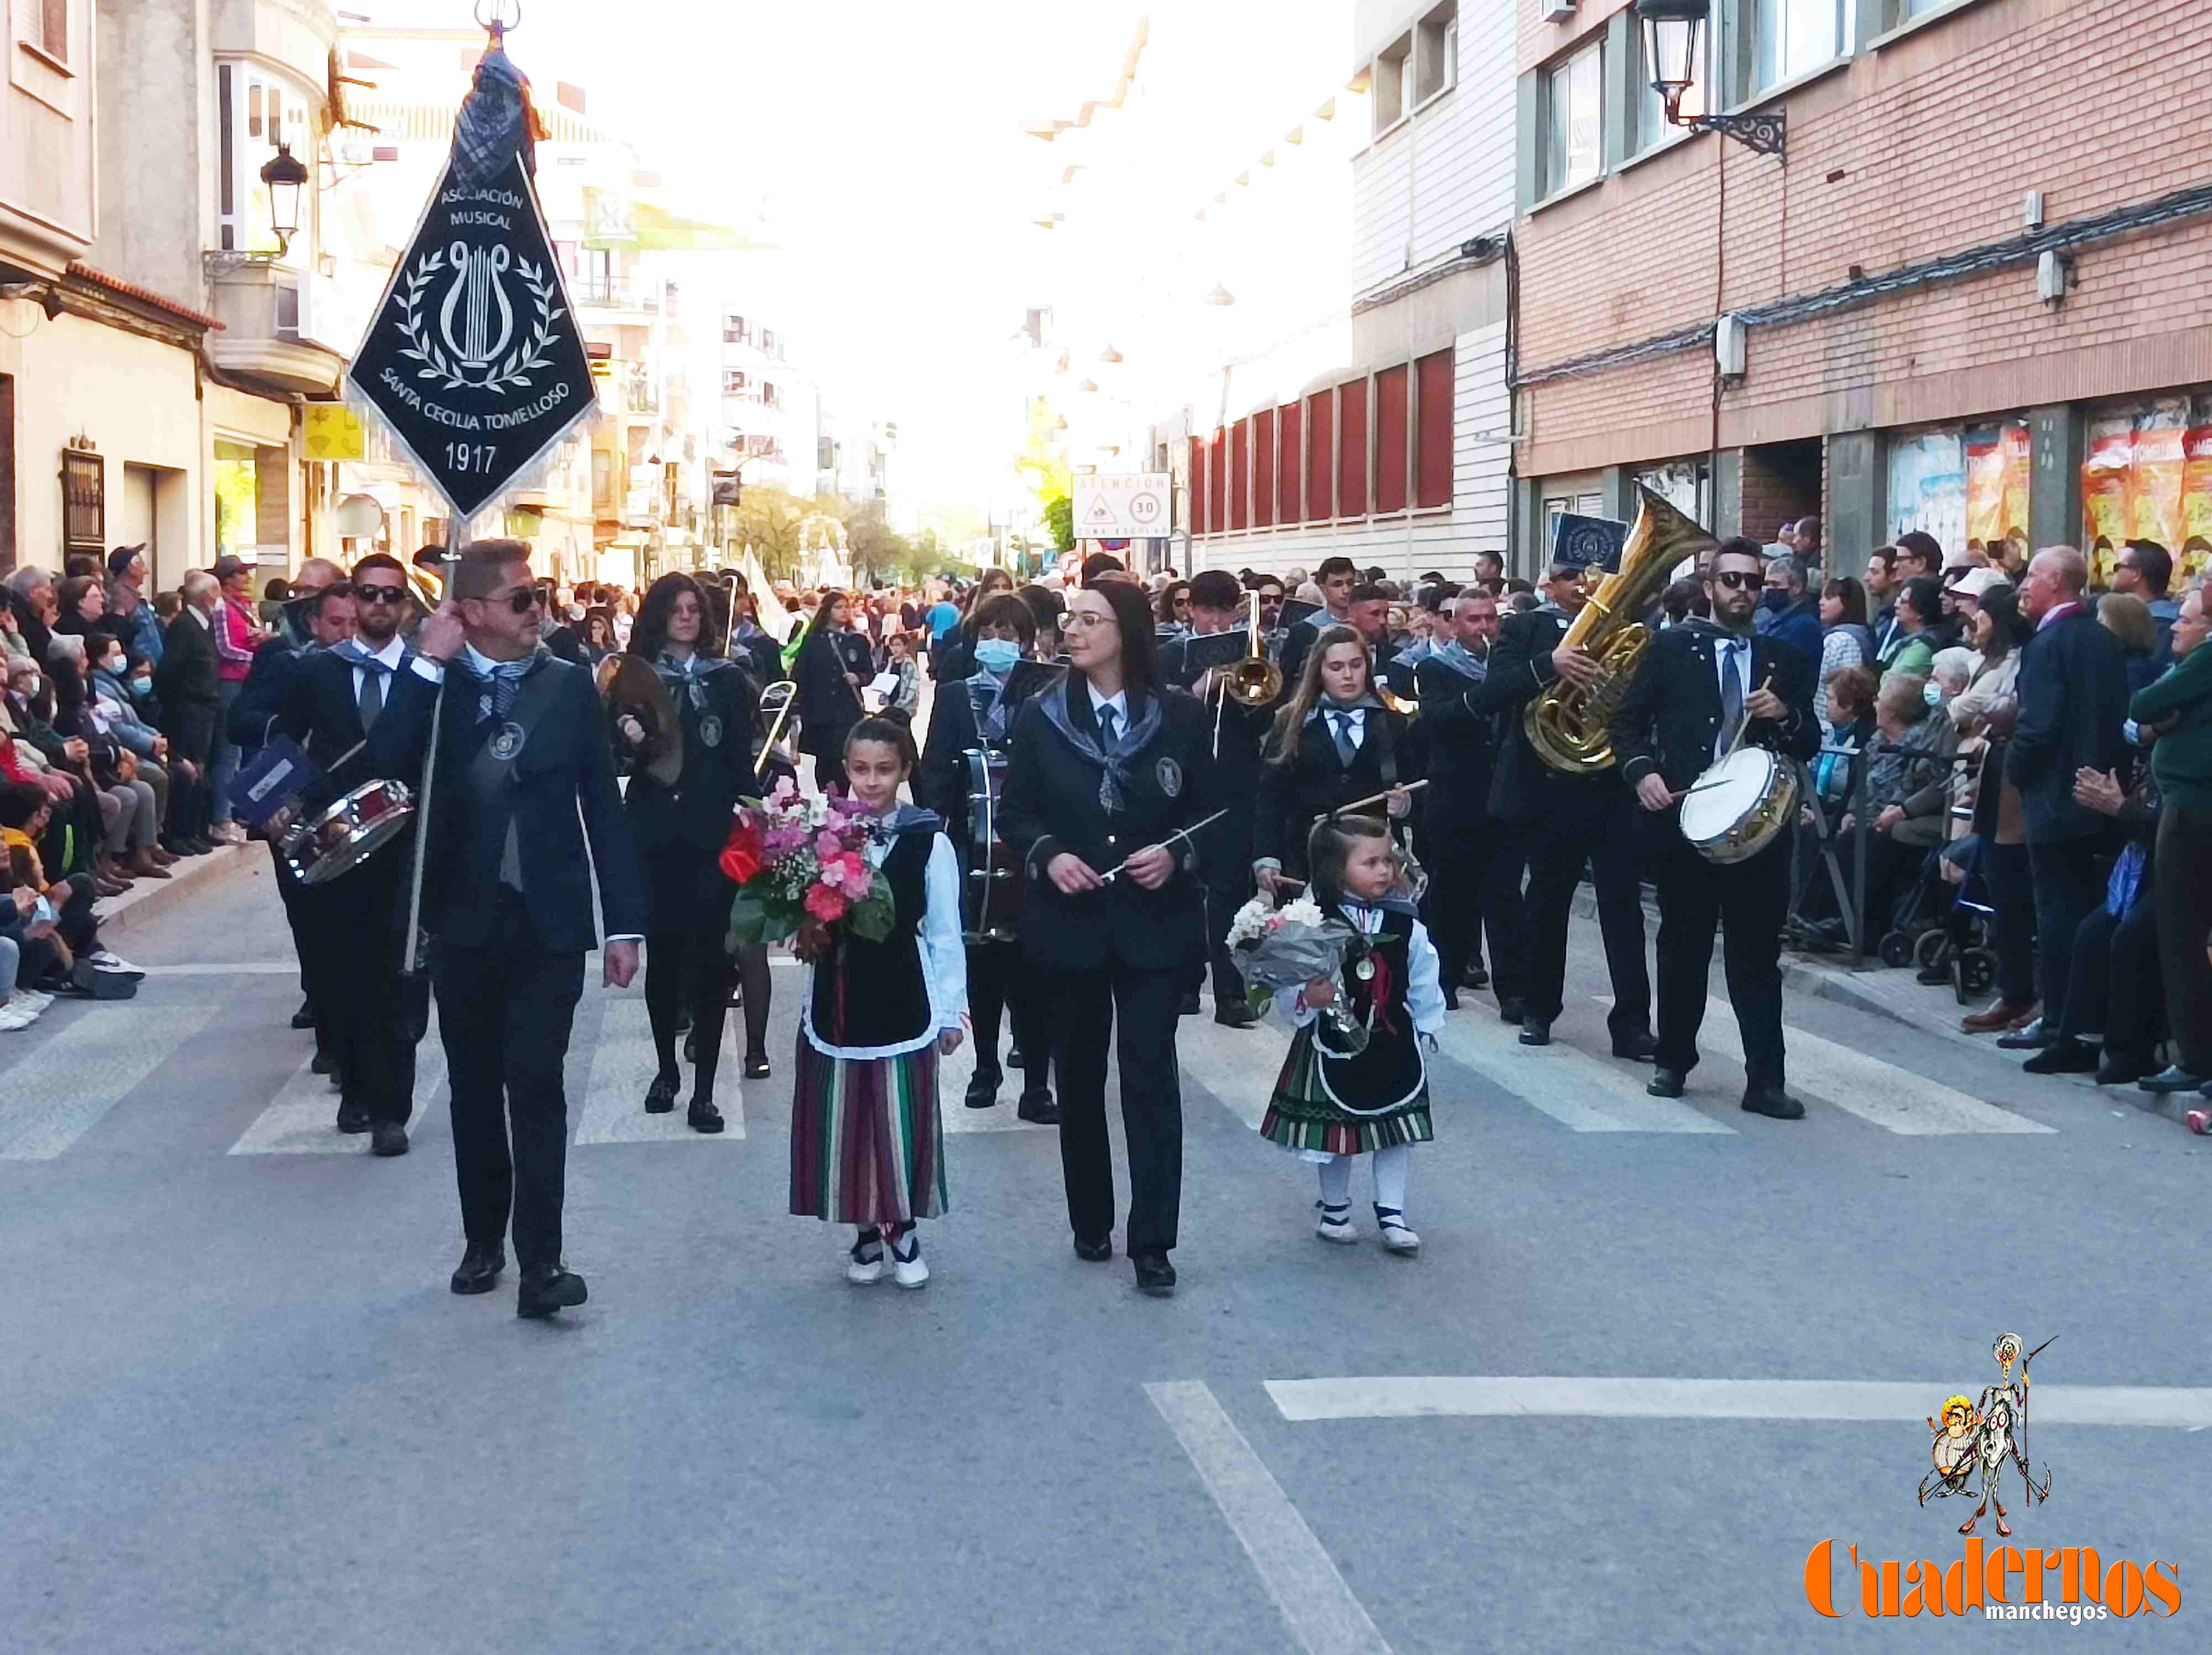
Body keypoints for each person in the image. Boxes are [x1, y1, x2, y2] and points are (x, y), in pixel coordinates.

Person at [369, 540, 646, 1318]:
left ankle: (543, 1263)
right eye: (523, 600)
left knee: (538, 1084)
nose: (540, 613)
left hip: (549, 921)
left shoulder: (567, 688)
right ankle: (482, 1237)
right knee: (474, 1090)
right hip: (461, 919)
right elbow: (386, 763)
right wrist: (426, 665)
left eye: (541, 596)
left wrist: (624, 921)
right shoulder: (435, 685)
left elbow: (604, 806)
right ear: (473, 613)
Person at [999, 578, 1219, 1297]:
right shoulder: (1041, 718)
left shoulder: (1180, 715)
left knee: (1151, 1077)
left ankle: (1153, 1240)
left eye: (1090, 620)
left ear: (1125, 631)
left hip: (1157, 928)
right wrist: (1049, 855)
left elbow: (1217, 809)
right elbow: (1016, 812)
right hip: (1071, 925)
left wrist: (1177, 851)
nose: (1073, 631)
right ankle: (1091, 1219)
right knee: (1082, 1077)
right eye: (1069, 620)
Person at [1613, 540, 1820, 1119]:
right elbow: (1625, 724)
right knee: (1682, 946)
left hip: (1759, 833)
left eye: (1752, 582)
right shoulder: (1671, 649)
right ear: (1709, 587)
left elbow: (1811, 740)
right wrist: (1642, 773)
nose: (1741, 591)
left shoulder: (1782, 657)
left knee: (1755, 956)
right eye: (1730, 580)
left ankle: (1765, 1081)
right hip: (1686, 826)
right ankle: (1673, 1061)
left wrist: (1787, 715)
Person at [789, 719, 966, 1289]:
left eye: (884, 770)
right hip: (837, 1001)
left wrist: (949, 1010)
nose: (871, 782)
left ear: (905, 771)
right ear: (844, 768)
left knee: (901, 1120)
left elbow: (943, 931)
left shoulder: (928, 840)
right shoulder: (819, 835)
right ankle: (863, 1229)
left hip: (904, 1000)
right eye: (860, 769)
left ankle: (904, 1225)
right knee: (845, 1121)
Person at [269, 555, 429, 1156]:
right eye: (370, 594)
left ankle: (392, 1109)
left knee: (399, 980)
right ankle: (358, 1086)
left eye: (392, 596)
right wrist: (276, 803)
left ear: (407, 606)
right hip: (336, 845)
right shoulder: (318, 673)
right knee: (345, 975)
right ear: (352, 603)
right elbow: (286, 744)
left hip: (406, 847)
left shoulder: (427, 676)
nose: (381, 605)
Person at [1471, 538, 1655, 1058]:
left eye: (1592, 574)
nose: (1583, 584)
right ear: (1549, 584)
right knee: (1546, 902)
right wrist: (1549, 665)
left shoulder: (1629, 630)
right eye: (1572, 575)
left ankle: (1632, 1025)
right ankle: (1538, 1008)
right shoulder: (1525, 628)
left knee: (1625, 909)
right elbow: (1492, 693)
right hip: (1549, 786)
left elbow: (1643, 703)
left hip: (1609, 783)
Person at [616, 574, 760, 1130]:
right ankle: (664, 1069)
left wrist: (755, 810)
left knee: (711, 959)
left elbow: (736, 757)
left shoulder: (726, 678)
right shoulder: (633, 676)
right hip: (654, 832)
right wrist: (626, 733)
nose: (686, 617)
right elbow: (614, 756)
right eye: (676, 609)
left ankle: (704, 1090)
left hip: (711, 833)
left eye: (694, 609)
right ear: (657, 615)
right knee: (665, 958)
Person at [1261, 814, 1443, 1252]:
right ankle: (1336, 1209)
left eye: (1389, 861)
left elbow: (1423, 973)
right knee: (1338, 1134)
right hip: (1335, 1041)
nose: (1385, 871)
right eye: (1371, 863)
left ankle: (1393, 1214)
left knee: (1397, 1130)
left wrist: (1430, 1023)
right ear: (1335, 869)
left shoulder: (1406, 923)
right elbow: (1291, 983)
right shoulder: (1313, 922)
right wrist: (1308, 998)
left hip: (1392, 1041)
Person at [919, 592, 1060, 1118]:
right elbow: (934, 768)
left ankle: (1037, 1085)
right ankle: (985, 1069)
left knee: (1034, 967)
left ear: (1027, 643)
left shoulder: (1047, 692)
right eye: (989, 633)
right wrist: (936, 836)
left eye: (1008, 634)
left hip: (1031, 849)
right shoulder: (956, 696)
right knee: (983, 963)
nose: (997, 643)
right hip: (971, 849)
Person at [2004, 547, 2128, 1052]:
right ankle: (2083, 1017)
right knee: (2087, 909)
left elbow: (2039, 724)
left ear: (2056, 581)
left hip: (2055, 799)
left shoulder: (2049, 643)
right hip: (2099, 797)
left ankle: (2058, 1020)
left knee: (2056, 913)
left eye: (2032, 576)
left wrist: (2016, 770)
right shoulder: (2103, 639)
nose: (2024, 586)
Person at [1160, 569, 1271, 1028]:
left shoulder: (1251, 654)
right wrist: (1201, 687)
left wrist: (1249, 693)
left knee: (1229, 890)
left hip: (1235, 783)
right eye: (1210, 612)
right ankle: (1188, 982)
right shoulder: (1171, 655)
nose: (1219, 622)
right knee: (1184, 888)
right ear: (1192, 611)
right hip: (1184, 786)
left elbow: (1265, 718)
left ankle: (1230, 995)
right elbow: (1160, 716)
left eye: (1228, 613)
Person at [1415, 589, 1526, 1018]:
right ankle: (1444, 980)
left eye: (1490, 619)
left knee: (1503, 895)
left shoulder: (1508, 666)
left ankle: (1513, 990)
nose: (1484, 628)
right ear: (1456, 625)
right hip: (1454, 794)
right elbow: (1445, 719)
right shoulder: (1433, 668)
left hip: (1504, 795)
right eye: (1474, 621)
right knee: (1450, 893)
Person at [1253, 626, 1413, 892]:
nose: (1348, 675)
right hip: (1306, 859)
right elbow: (1271, 796)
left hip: (1374, 864)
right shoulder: (1291, 721)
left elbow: (1413, 785)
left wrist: (1405, 804)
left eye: (1356, 665)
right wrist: (1266, 858)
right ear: (1320, 672)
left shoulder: (1392, 722)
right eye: (1336, 667)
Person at [2130, 587, 2212, 1097]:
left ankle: (2197, 1055)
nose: (2175, 628)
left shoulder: (2206, 658)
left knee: (2182, 933)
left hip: (2192, 809)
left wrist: (2167, 718)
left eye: (2186, 619)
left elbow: (2144, 703)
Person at [154, 571, 224, 856]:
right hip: (186, 709)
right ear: (208, 595)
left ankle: (195, 830)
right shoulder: (185, 626)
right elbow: (169, 669)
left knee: (201, 771)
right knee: (188, 771)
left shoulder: (202, 624)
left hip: (204, 707)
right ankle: (178, 833)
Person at [206, 555, 269, 843]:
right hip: (230, 682)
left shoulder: (245, 607)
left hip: (247, 682)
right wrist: (255, 657)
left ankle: (237, 811)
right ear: (228, 579)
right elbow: (225, 648)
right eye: (242, 573)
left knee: (245, 751)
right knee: (228, 752)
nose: (247, 578)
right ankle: (221, 818)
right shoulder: (221, 608)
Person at [794, 590, 872, 796]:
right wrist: (797, 709)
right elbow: (800, 675)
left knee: (843, 760)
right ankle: (825, 804)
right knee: (824, 762)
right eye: (839, 607)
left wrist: (859, 679)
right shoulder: (813, 641)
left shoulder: (857, 641)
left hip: (847, 712)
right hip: (820, 713)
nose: (844, 611)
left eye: (847, 607)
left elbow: (870, 672)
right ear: (828, 611)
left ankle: (842, 804)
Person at [1278, 555, 1359, 687]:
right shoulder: (1303, 630)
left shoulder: (1365, 624)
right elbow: (1287, 678)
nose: (1346, 590)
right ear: (1323, 589)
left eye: (1350, 583)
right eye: (1337, 584)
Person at [2111, 540, 2179, 659]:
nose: (2113, 572)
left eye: (2118, 567)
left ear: (2136, 575)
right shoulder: (2175, 621)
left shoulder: (2162, 627)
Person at [1757, 555, 1822, 667]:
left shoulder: (1804, 625)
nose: (1768, 589)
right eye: (1767, 584)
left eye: (1775, 584)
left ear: (1797, 587)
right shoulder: (1773, 619)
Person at [1879, 576, 1942, 683]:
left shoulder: (1923, 647)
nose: (1896, 605)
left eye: (1903, 602)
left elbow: (1894, 682)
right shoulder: (1908, 641)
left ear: (1921, 610)